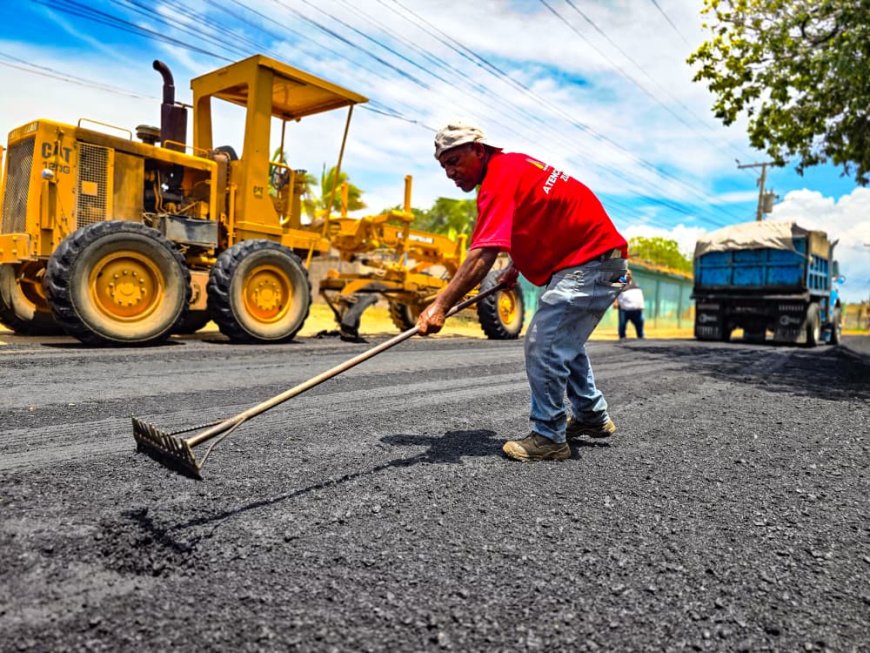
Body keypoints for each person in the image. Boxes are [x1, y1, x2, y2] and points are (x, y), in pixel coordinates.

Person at [417, 121, 629, 461]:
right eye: (444, 166)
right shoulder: (515, 166)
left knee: (544, 343)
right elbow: (538, 221)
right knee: (564, 342)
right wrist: (514, 269)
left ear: (478, 150)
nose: (450, 172)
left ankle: (549, 437)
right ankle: (592, 415)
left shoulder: (498, 179)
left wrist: (440, 305)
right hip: (608, 266)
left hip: (594, 266)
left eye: (454, 161)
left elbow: (483, 254)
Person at [615, 270, 645, 341]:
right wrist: (615, 302)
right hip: (624, 309)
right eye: (626, 274)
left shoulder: (635, 283)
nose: (628, 275)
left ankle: (641, 337)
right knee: (622, 324)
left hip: (637, 309)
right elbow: (614, 292)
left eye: (629, 274)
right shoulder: (620, 283)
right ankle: (622, 338)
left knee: (639, 323)